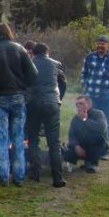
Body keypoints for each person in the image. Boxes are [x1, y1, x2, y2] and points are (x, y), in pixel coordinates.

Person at [0, 23, 38, 186]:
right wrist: (23, 89)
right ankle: (19, 178)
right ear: (9, 33)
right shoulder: (20, 49)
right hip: (18, 98)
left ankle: (3, 178)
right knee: (18, 138)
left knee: (2, 139)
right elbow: (33, 74)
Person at [26, 43, 67, 187]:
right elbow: (63, 84)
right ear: (47, 52)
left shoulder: (28, 63)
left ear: (33, 53)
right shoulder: (56, 64)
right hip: (52, 104)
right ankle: (57, 178)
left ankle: (35, 173)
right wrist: (58, 99)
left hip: (33, 104)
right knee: (54, 142)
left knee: (33, 139)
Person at [80, 35, 109, 155]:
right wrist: (84, 85)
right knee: (89, 120)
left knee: (105, 121)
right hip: (90, 95)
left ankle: (104, 151)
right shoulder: (90, 57)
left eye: (103, 44)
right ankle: (90, 149)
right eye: (98, 43)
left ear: (108, 45)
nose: (100, 46)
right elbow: (84, 73)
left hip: (105, 96)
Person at [62, 95, 108, 172]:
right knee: (67, 148)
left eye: (81, 103)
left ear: (89, 104)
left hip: (96, 146)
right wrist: (76, 146)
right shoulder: (75, 118)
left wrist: (85, 119)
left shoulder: (98, 114)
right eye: (77, 104)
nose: (78, 106)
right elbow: (71, 136)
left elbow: (101, 128)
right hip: (80, 146)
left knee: (97, 138)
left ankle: (92, 164)